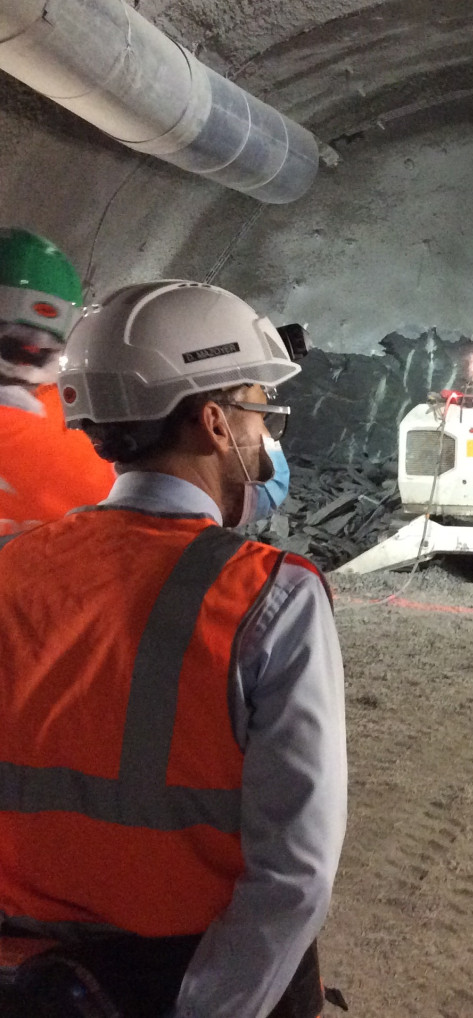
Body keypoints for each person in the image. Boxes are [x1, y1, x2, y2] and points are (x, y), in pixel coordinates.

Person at [0, 280, 347, 1018]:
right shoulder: (271, 597)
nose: (266, 438)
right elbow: (295, 874)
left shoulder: (9, 565)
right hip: (185, 977)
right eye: (259, 410)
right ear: (215, 422)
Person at [0, 227, 115, 534]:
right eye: (13, 343)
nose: (31, 352)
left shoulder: (69, 405)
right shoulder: (76, 410)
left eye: (42, 348)